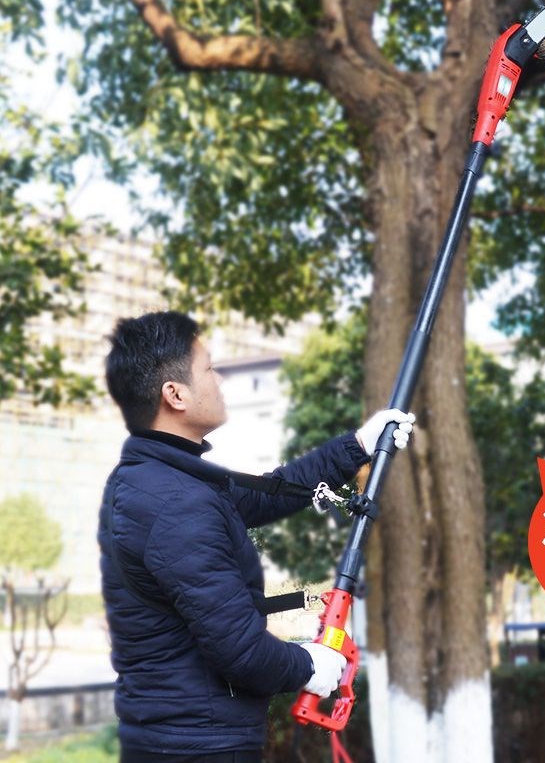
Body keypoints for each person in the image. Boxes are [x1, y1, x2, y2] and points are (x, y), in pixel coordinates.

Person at [98, 311, 414, 762]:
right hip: (198, 747)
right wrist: (311, 667)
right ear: (175, 394)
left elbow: (266, 495)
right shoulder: (173, 503)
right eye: (208, 368)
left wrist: (358, 446)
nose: (219, 379)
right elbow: (239, 650)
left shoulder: (165, 480)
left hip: (186, 739)